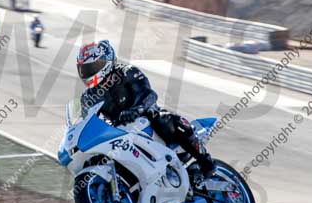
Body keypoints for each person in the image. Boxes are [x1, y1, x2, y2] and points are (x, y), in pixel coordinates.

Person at [76, 40, 217, 178]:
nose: (89, 72)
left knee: (168, 121)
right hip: (119, 132)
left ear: (106, 61)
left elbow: (149, 95)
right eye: (85, 69)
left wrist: (136, 110)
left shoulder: (126, 72)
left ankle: (206, 161)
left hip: (145, 117)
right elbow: (85, 121)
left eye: (93, 67)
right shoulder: (89, 97)